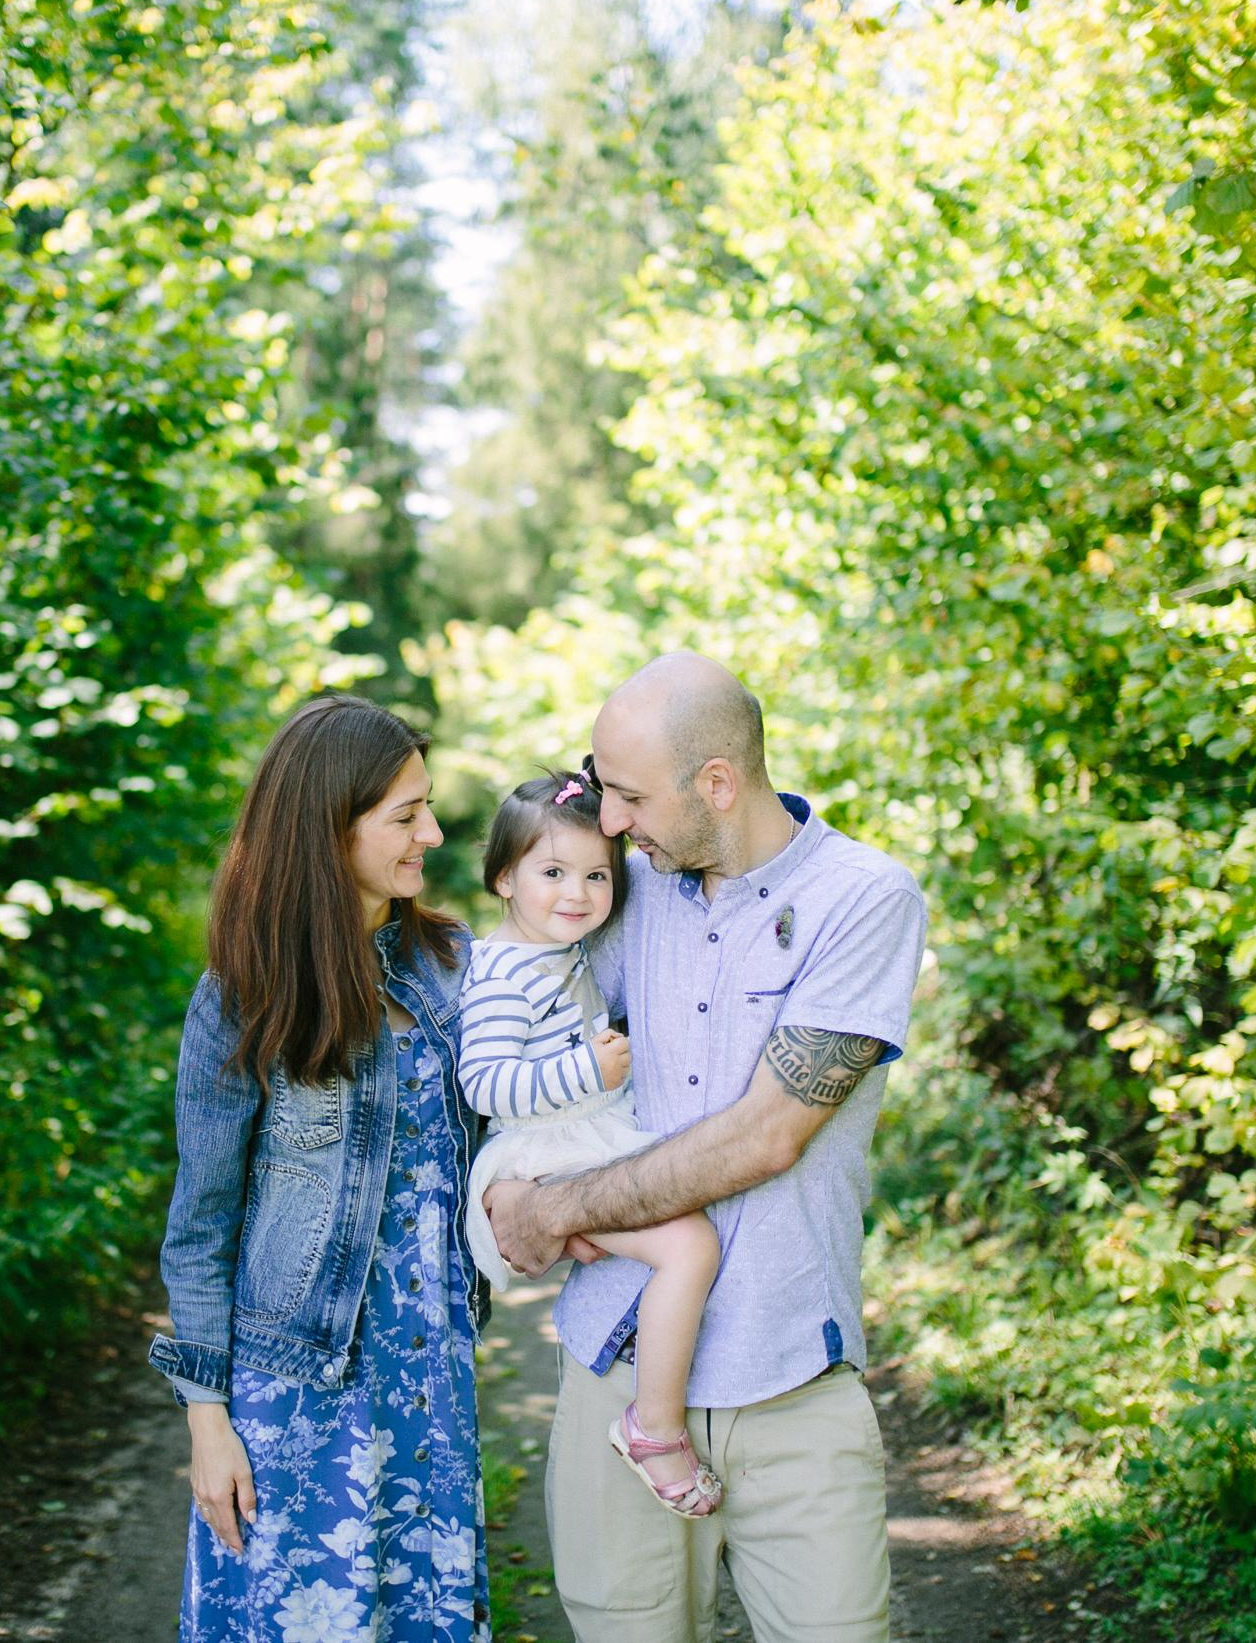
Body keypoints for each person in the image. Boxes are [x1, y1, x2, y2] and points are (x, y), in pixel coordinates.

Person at [484, 653, 927, 1643]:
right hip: (616, 1358)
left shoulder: (864, 898)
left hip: (789, 1372)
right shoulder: (617, 890)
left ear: (716, 784)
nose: (609, 823)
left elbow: (770, 1131)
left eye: (630, 796)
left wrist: (558, 1206)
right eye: (602, 794)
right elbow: (500, 989)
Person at [150, 694, 490, 1642]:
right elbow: (201, 1225)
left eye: (427, 805)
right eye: (405, 815)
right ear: (327, 828)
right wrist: (207, 1424)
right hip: (293, 1388)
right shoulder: (243, 993)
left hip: (428, 1370)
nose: (431, 831)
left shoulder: (454, 965)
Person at [457, 767, 725, 1518]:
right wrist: (587, 1066)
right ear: (504, 879)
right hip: (549, 1152)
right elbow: (485, 1083)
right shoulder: (506, 970)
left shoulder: (551, 950)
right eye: (551, 872)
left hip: (581, 1138)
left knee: (682, 1238)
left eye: (596, 876)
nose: (576, 893)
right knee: (689, 1246)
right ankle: (654, 1426)